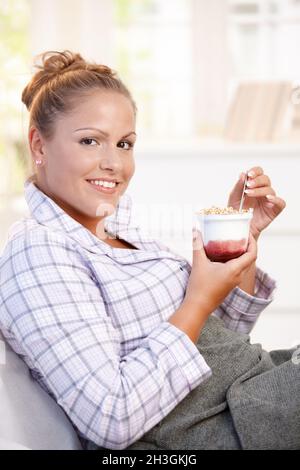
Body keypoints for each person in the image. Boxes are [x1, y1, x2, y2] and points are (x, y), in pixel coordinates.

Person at [0, 50, 298, 451]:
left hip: (254, 392)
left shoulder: (120, 231)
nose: (114, 163)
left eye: (125, 144)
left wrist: (241, 237)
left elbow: (222, 339)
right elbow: (111, 416)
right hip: (226, 425)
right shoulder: (37, 254)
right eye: (90, 140)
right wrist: (196, 299)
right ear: (39, 144)